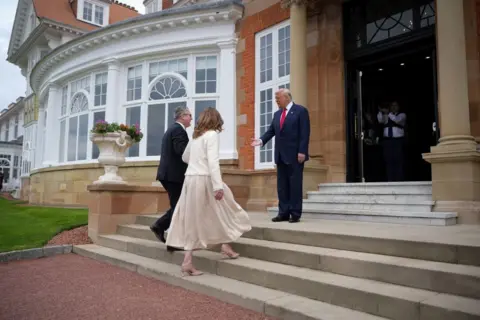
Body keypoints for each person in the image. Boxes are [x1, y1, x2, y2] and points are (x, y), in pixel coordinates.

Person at [166, 107, 251, 276]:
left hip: (190, 180)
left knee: (200, 216)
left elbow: (185, 157)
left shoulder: (196, 136)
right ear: (215, 120)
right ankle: (190, 260)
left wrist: (197, 163)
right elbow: (213, 162)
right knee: (229, 209)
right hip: (204, 179)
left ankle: (224, 246)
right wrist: (218, 186)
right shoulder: (211, 135)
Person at [251, 88, 310, 223]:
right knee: (282, 186)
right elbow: (271, 131)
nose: (276, 101)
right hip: (280, 155)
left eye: (278, 98)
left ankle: (295, 213)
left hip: (295, 156)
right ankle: (283, 212)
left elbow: (305, 133)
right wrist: (260, 141)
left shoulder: (300, 111)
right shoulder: (277, 114)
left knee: (295, 185)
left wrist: (302, 151)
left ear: (287, 98)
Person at [150, 106, 192, 252]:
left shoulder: (172, 129)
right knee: (179, 207)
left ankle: (166, 233)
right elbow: (182, 152)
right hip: (174, 176)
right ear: (182, 116)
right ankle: (162, 228)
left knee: (178, 206)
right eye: (189, 116)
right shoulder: (178, 130)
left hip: (169, 175)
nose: (191, 118)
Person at [377, 101, 407, 182]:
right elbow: (380, 120)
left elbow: (396, 120)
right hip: (387, 142)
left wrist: (388, 113)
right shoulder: (388, 116)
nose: (393, 107)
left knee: (398, 161)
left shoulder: (402, 115)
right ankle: (390, 179)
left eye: (395, 105)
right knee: (388, 161)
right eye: (392, 105)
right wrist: (381, 111)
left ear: (399, 107)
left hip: (397, 142)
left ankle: (399, 180)